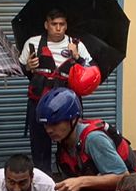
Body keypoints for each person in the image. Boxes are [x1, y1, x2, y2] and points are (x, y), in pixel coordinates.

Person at [36, 88, 136, 191]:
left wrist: (80, 182)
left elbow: (122, 176)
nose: (49, 130)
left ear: (73, 120)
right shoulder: (63, 142)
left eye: (55, 124)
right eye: (46, 125)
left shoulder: (93, 139)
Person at [21, 10, 98, 168]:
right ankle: (44, 186)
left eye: (61, 24)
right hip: (40, 105)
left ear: (66, 26)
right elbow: (20, 69)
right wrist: (28, 66)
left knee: (70, 148)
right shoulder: (32, 43)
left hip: (68, 107)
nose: (58, 28)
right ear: (46, 25)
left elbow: (92, 72)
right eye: (54, 24)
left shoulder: (76, 45)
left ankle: (72, 181)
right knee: (40, 150)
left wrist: (78, 58)